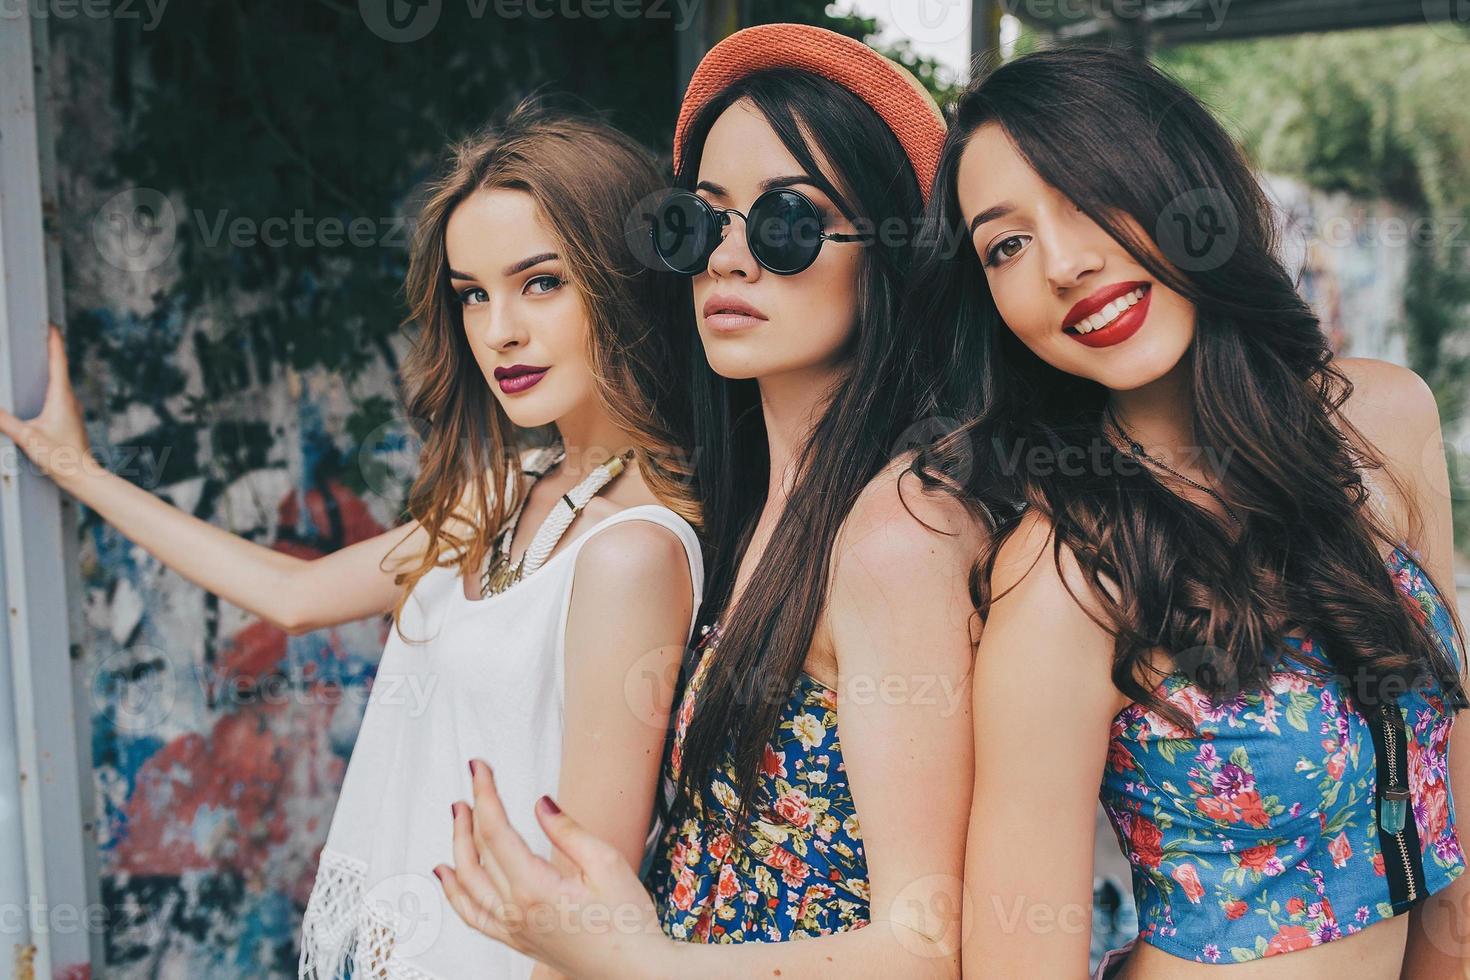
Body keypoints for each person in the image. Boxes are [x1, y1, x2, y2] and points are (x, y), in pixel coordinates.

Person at [0, 100, 705, 980]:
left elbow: (583, 914)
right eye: (473, 295)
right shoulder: (512, 490)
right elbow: (292, 597)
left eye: (541, 282)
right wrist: (76, 470)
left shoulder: (633, 552)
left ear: (623, 277)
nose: (499, 333)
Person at [434, 24, 984, 979]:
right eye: (701, 221)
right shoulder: (743, 507)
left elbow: (925, 944)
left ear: (890, 250)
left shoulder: (897, 531)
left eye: (786, 223)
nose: (731, 259)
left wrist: (626, 956)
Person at [912, 47, 1468, 978]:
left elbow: (1448, 805)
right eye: (1005, 245)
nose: (1065, 263)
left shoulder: (1385, 420)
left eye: (1091, 197)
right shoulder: (1069, 575)